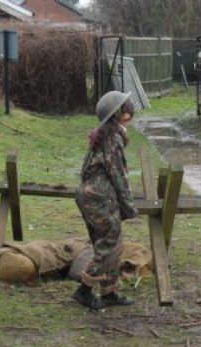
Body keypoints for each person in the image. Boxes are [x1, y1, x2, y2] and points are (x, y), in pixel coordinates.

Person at [73, 91, 138, 309]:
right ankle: (84, 289)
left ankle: (109, 292)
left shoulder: (104, 134)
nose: (130, 110)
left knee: (107, 245)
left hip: (90, 196)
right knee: (110, 246)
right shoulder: (113, 138)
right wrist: (129, 208)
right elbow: (118, 176)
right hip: (99, 198)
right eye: (126, 108)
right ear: (122, 114)